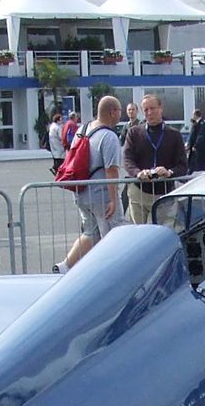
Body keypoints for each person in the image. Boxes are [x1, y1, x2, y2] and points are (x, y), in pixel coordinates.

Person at [57, 95, 126, 273]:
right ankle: (111, 272)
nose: (121, 114)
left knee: (90, 232)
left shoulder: (83, 129)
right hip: (101, 195)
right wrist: (113, 199)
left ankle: (64, 266)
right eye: (119, 111)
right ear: (112, 112)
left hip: (81, 191)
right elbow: (111, 170)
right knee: (112, 234)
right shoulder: (109, 136)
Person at [124, 94, 188, 223]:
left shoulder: (174, 135)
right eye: (145, 110)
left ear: (161, 108)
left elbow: (183, 166)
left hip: (163, 194)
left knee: (159, 235)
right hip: (139, 192)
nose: (149, 113)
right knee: (140, 234)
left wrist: (169, 172)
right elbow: (127, 160)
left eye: (152, 108)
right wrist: (138, 172)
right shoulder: (134, 133)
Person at [187, 107, 205, 174]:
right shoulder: (196, 123)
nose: (192, 116)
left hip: (201, 149)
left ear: (196, 115)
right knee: (193, 163)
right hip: (196, 148)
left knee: (203, 164)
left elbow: (201, 136)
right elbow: (192, 135)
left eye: (193, 115)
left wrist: (196, 145)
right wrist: (189, 144)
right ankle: (188, 174)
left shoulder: (202, 124)